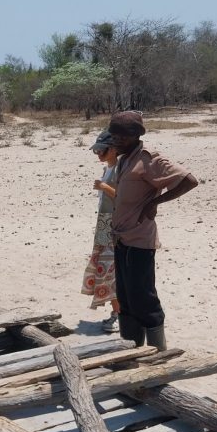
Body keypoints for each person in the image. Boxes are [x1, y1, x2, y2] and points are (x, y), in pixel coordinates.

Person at [106, 111, 198, 351]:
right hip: (121, 239)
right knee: (125, 299)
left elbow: (188, 180)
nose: (115, 141)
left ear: (136, 135)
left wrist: (154, 203)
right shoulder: (125, 159)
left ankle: (159, 357)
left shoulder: (149, 159)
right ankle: (132, 354)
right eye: (112, 136)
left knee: (144, 300)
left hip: (139, 241)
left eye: (121, 137)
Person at [82, 131, 120, 332]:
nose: (98, 154)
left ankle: (118, 315)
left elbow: (124, 197)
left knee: (110, 272)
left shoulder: (120, 168)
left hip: (113, 226)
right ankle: (117, 313)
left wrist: (104, 187)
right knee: (104, 270)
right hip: (105, 223)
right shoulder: (110, 168)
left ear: (113, 149)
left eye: (101, 150)